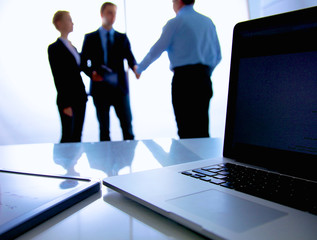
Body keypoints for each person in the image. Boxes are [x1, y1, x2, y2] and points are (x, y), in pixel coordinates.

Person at [136, 0, 222, 139]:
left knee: (185, 131)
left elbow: (156, 51)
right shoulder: (208, 22)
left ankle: (192, 161)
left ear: (179, 2)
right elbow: (218, 56)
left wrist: (139, 69)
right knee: (202, 130)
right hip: (204, 79)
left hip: (184, 81)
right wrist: (205, 73)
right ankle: (207, 161)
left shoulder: (175, 23)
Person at [81, 2, 138, 141]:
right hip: (100, 89)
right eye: (109, 13)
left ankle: (129, 161)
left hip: (119, 89)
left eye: (114, 13)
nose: (113, 16)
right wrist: (92, 74)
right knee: (104, 130)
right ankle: (105, 162)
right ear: (102, 14)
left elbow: (130, 58)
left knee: (127, 128)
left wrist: (136, 69)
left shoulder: (122, 38)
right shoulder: (90, 38)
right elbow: (83, 63)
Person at [48, 11, 87, 143]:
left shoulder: (73, 47)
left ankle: (73, 164)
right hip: (67, 99)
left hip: (80, 96)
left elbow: (82, 68)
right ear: (59, 23)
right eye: (69, 20)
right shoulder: (54, 48)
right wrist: (65, 103)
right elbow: (58, 76)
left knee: (77, 136)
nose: (72, 23)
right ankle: (65, 163)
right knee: (67, 136)